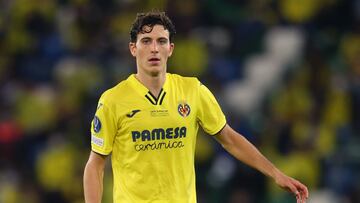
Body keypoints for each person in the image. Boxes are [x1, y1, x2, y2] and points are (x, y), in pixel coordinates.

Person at [83, 11, 309, 203]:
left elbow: (229, 138)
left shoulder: (192, 90)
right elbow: (95, 164)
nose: (154, 48)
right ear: (133, 48)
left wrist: (275, 173)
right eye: (146, 41)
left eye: (161, 41)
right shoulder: (113, 100)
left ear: (170, 48)